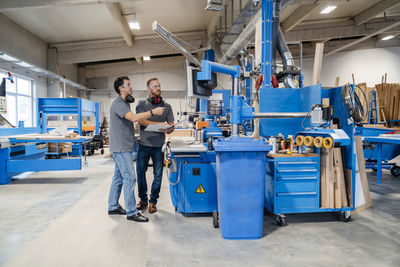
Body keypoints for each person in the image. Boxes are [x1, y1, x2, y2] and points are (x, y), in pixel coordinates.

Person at [108, 76, 165, 222]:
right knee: (130, 178)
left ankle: (113, 205)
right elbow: (134, 118)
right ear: (121, 88)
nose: (131, 87)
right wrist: (153, 112)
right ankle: (132, 212)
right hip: (121, 147)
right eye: (128, 85)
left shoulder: (124, 104)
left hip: (122, 146)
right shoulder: (119, 104)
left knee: (119, 177)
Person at [136, 78, 174, 213]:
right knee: (140, 173)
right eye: (154, 86)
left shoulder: (167, 107)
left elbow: (170, 125)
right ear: (148, 89)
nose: (158, 88)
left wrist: (169, 129)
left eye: (159, 85)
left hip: (159, 145)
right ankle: (143, 199)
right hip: (143, 144)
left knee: (158, 174)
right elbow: (141, 120)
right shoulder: (141, 104)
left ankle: (153, 201)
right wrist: (159, 125)